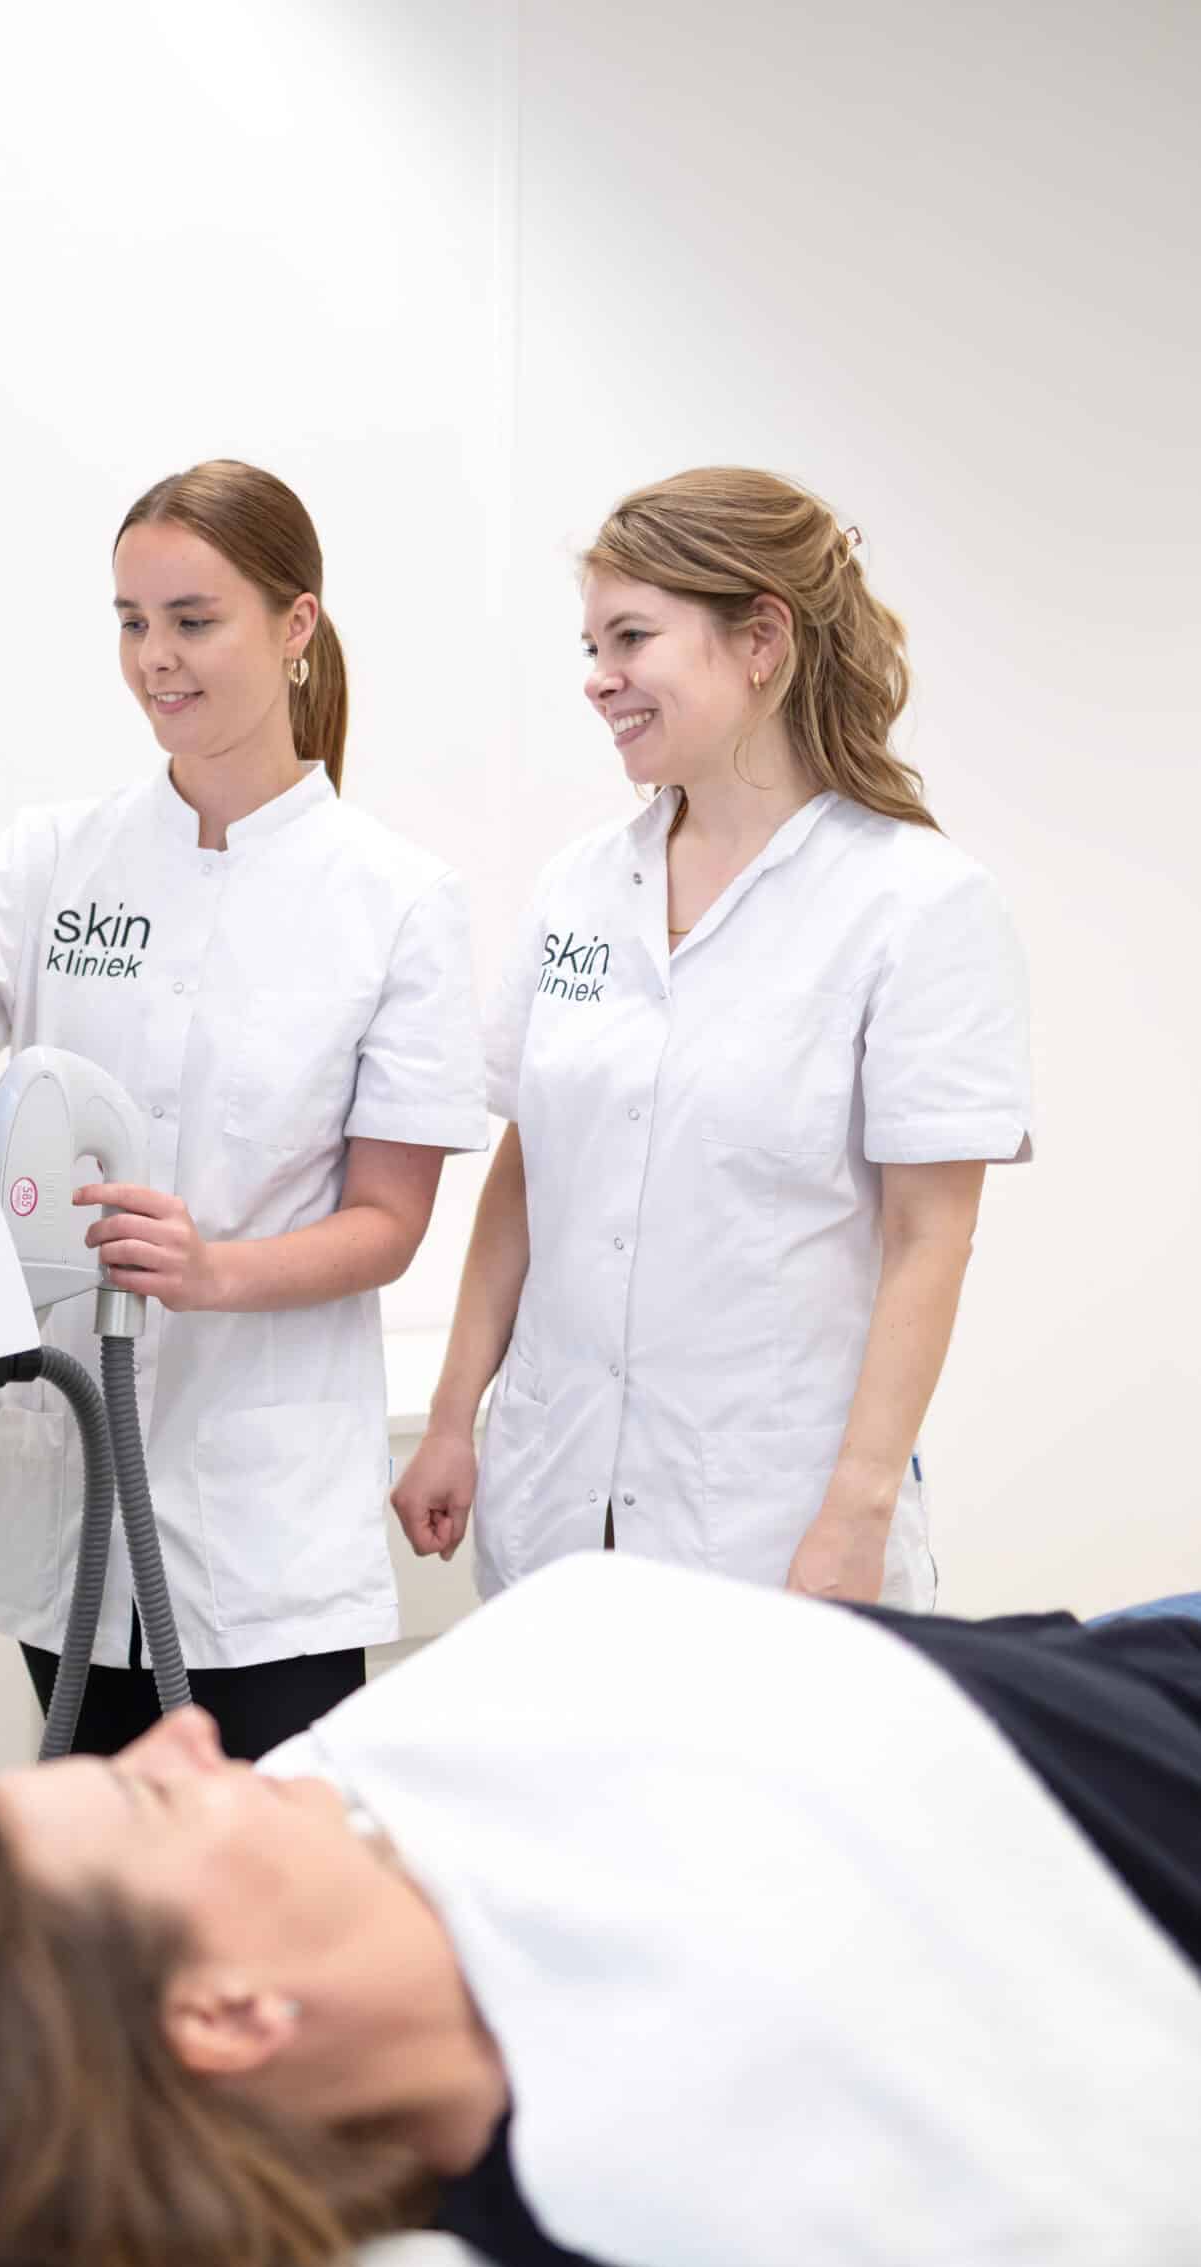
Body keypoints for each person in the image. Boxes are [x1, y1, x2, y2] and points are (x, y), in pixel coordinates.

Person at [0, 1556, 1201, 2267]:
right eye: (150, 1794)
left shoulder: (336, 1832)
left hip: (1102, 1642)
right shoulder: (673, 2129)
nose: (192, 1735)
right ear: (224, 2014)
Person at [0, 461, 486, 1758]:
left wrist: (213, 1272)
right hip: (66, 1489)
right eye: (132, 621)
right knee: (93, 1854)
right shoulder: (53, 858)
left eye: (193, 621)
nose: (156, 657)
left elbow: (387, 1222)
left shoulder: (393, 900)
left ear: (295, 625)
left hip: (262, 1525)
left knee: (256, 1861)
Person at [393, 467, 1032, 1611]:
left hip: (775, 1529)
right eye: (591, 645)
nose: (599, 678)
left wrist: (857, 1514)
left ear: (762, 641)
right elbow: (532, 1171)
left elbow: (929, 1237)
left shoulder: (916, 903)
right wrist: (452, 1417)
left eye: (631, 638)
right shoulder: (582, 886)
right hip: (556, 1501)